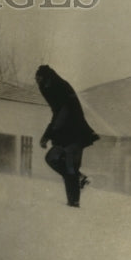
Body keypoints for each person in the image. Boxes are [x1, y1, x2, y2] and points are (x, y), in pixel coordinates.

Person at [35, 65, 99, 208]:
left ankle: (73, 204)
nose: (38, 84)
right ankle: (79, 181)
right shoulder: (57, 88)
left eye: (40, 80)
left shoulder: (60, 88)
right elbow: (58, 113)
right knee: (53, 160)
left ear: (48, 79)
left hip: (75, 134)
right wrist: (48, 135)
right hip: (67, 135)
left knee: (70, 168)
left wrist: (47, 135)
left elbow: (62, 114)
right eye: (36, 80)